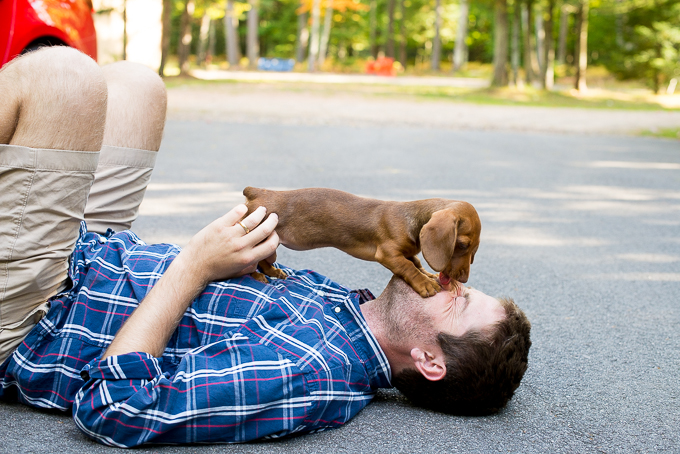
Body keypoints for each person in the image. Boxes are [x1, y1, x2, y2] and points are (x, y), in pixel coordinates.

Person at [0, 47, 531, 447]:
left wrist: (193, 266)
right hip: (96, 247)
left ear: (428, 361)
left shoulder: (313, 371)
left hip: (39, 309)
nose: (446, 280)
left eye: (456, 299)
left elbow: (117, 408)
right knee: (139, 88)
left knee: (63, 79)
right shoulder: (348, 308)